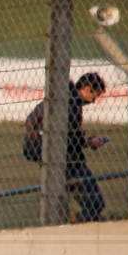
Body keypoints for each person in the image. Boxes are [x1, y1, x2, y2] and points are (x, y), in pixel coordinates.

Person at [23, 72, 110, 222]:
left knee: (67, 197)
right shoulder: (73, 105)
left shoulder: (60, 98)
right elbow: (72, 140)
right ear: (86, 89)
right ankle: (76, 220)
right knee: (96, 204)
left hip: (49, 154)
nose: (94, 101)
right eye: (94, 96)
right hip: (66, 159)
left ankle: (70, 217)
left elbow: (67, 137)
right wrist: (90, 142)